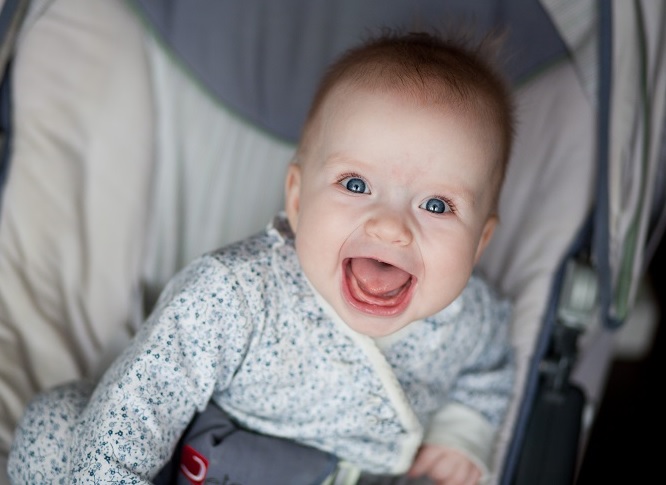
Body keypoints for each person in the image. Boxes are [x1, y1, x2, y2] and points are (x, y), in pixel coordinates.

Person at [8, 28, 515, 485]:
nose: (390, 226)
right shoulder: (237, 292)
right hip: (190, 458)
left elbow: (487, 367)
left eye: (436, 205)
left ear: (480, 242)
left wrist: (461, 434)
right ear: (296, 199)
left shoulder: (468, 316)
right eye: (355, 184)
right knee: (58, 420)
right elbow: (144, 399)